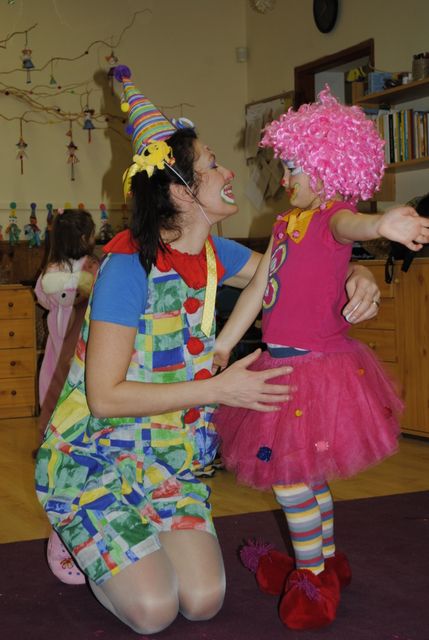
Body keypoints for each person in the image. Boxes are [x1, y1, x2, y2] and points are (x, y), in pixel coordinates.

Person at [35, 68, 381, 635]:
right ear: (180, 190)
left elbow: (299, 269)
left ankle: (133, 539)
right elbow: (104, 398)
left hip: (169, 464)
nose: (228, 172)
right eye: (213, 164)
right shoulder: (127, 268)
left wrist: (358, 275)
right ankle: (78, 530)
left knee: (202, 600)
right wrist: (220, 389)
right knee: (154, 611)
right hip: (95, 460)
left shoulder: (218, 254)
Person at [213, 87, 429, 631]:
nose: (285, 178)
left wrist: (381, 225)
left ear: (328, 168)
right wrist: (223, 343)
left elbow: (352, 227)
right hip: (280, 363)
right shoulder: (283, 225)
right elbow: (257, 289)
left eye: (294, 169)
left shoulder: (334, 215)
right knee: (306, 477)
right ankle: (327, 560)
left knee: (289, 481)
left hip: (318, 370)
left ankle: (311, 577)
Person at [34, 208, 99, 584]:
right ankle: (64, 537)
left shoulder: (57, 270)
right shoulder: (84, 270)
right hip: (70, 363)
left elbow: (45, 297)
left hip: (75, 363)